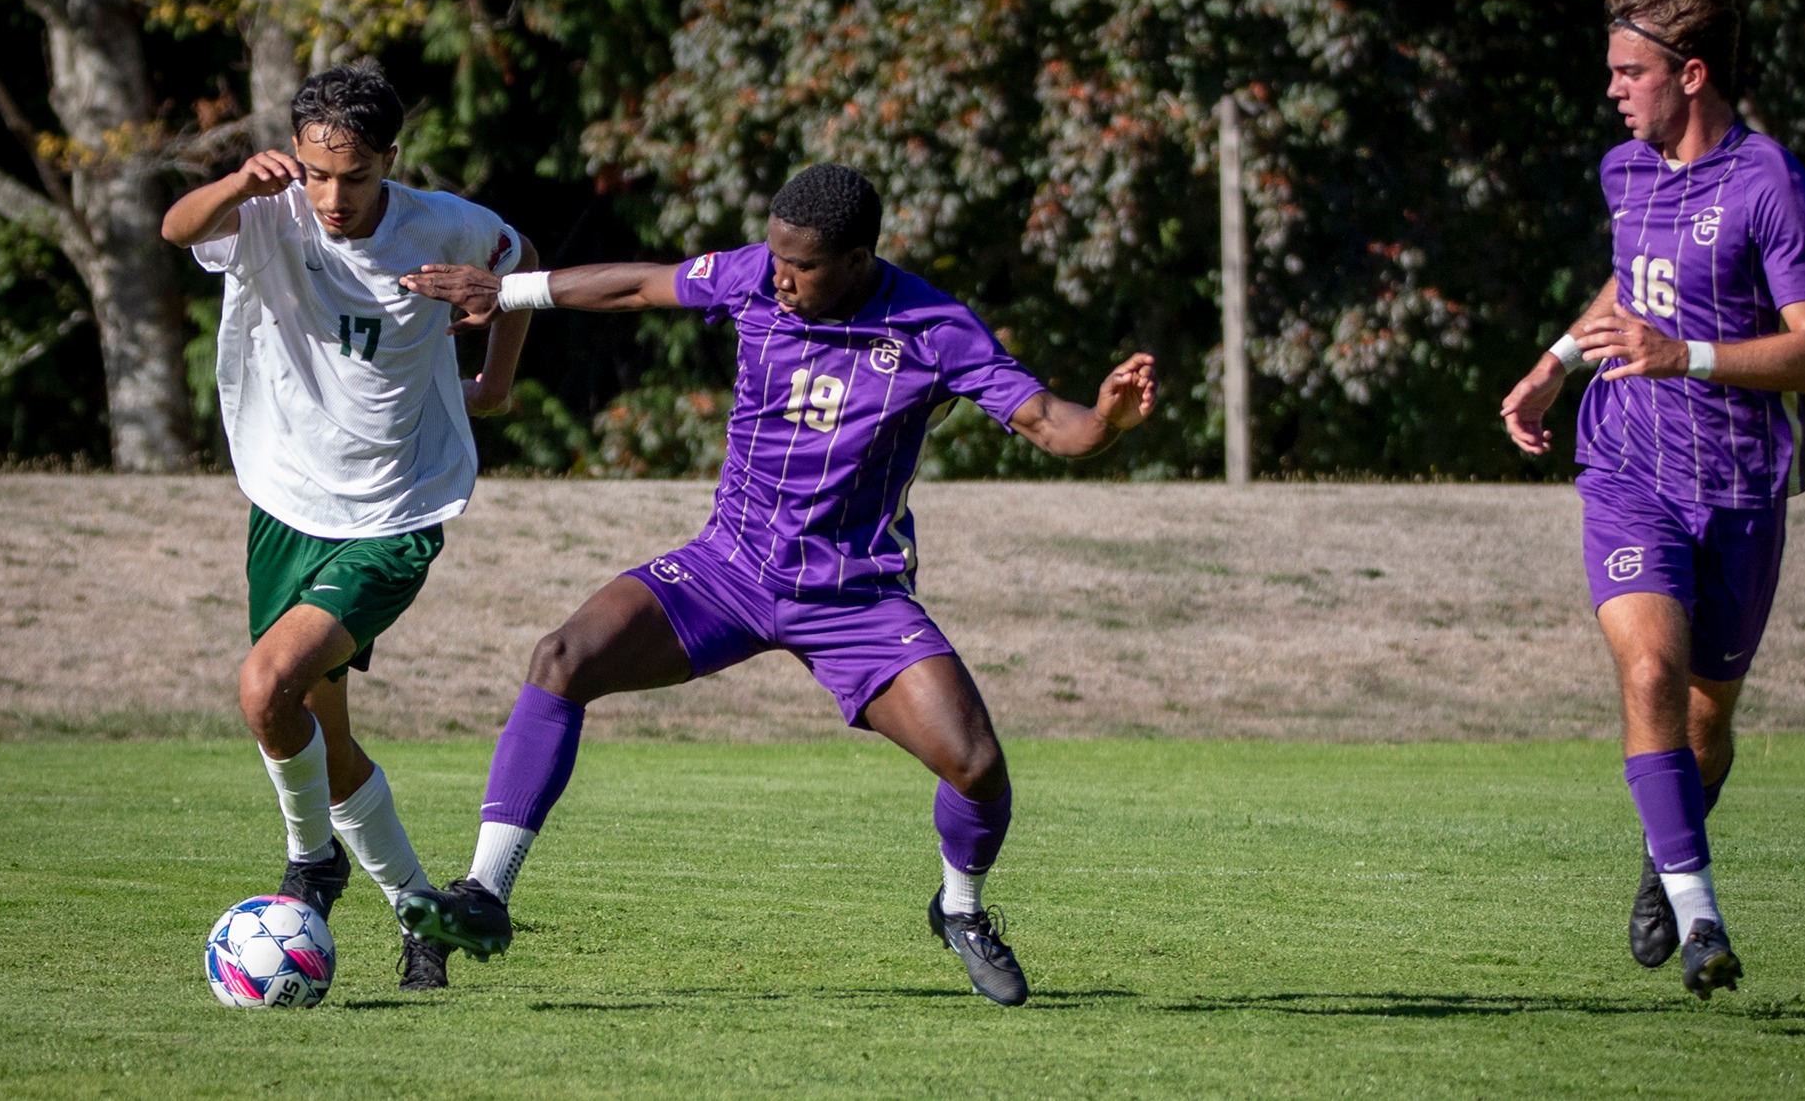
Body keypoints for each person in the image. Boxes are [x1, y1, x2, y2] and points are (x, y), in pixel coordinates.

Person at [392, 163, 1156, 1006]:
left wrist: (1107, 421)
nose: (779, 277)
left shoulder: (936, 327)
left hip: (855, 597)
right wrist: (511, 292)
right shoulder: (756, 277)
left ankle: (962, 908)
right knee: (563, 656)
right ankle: (485, 893)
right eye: (775, 256)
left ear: (860, 258)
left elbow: (1056, 426)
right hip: (728, 568)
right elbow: (643, 287)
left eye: (802, 266)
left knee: (974, 764)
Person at [1499, 0, 1805, 999]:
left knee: (1701, 720)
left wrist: (1684, 354)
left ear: (1688, 76)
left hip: (1737, 483)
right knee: (1648, 675)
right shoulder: (1625, 170)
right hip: (1627, 465)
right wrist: (1556, 362)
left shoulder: (1769, 186)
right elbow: (1628, 276)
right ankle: (1701, 918)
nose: (1610, 91)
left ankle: (1666, 852)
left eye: (1627, 72)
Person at [161, 62, 540, 991]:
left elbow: (519, 259)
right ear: (295, 155)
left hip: (395, 511)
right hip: (287, 500)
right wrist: (238, 184)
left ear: (390, 161)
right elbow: (176, 228)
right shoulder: (269, 209)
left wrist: (496, 375)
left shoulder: (442, 224)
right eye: (316, 171)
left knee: (263, 689)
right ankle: (421, 915)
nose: (332, 195)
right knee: (313, 723)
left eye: (356, 176)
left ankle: (311, 857)